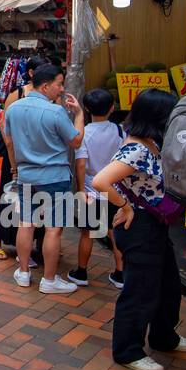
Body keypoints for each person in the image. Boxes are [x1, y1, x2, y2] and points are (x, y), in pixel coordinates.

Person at [91, 89, 186, 370]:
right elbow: (101, 180)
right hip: (138, 228)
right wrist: (124, 206)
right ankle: (128, 351)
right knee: (141, 292)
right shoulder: (136, 149)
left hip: (154, 227)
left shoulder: (149, 142)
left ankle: (165, 337)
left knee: (168, 287)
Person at [2, 63, 85, 293]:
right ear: (46, 85)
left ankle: (24, 273)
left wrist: (15, 168)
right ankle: (48, 280)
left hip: (27, 174)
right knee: (53, 228)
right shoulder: (55, 111)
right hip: (54, 176)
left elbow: (9, 140)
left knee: (25, 223)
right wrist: (79, 115)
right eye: (59, 84)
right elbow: (76, 141)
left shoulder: (14, 108)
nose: (61, 89)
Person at [0, 58, 47, 263]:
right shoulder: (17, 95)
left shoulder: (51, 97)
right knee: (8, 197)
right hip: (14, 155)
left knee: (37, 201)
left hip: (39, 159)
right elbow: (7, 133)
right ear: (31, 73)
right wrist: (14, 166)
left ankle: (36, 244)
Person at [69, 88, 126, 289]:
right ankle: (120, 274)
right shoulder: (120, 131)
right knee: (115, 231)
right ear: (112, 108)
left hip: (91, 189)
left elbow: (81, 164)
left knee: (88, 232)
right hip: (114, 189)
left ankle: (82, 272)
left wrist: (80, 189)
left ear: (86, 108)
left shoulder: (83, 134)